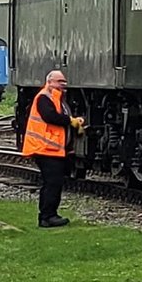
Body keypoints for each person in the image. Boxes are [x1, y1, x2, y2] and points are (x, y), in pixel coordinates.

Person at [21, 70, 85, 228]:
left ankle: (49, 215)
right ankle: (47, 217)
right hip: (45, 148)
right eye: (59, 81)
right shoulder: (44, 97)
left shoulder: (58, 100)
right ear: (49, 82)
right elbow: (50, 117)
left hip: (54, 149)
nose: (63, 84)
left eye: (64, 82)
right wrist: (70, 120)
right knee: (52, 183)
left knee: (54, 183)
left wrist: (76, 122)